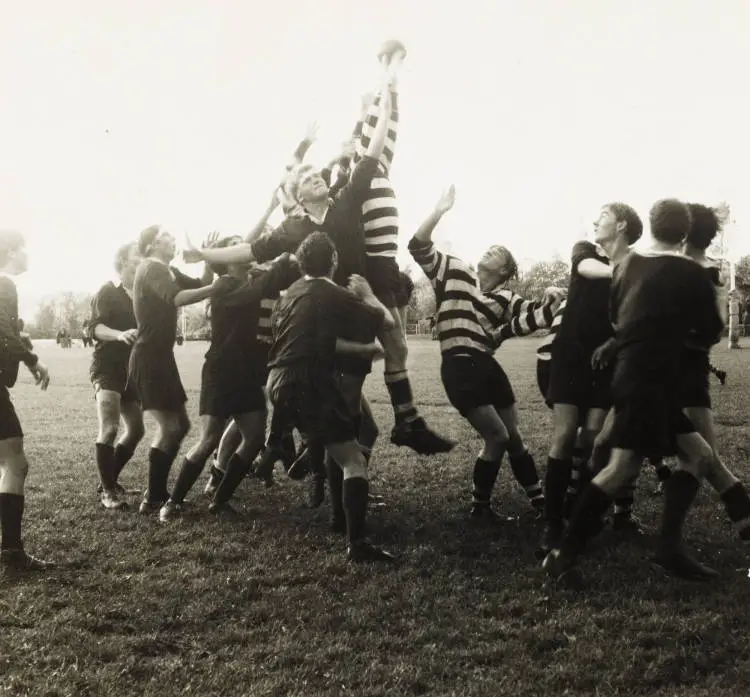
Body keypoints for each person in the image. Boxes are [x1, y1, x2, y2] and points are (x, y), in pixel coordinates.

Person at [544, 199, 724, 584]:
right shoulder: (692, 274)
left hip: (632, 380)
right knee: (624, 467)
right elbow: (711, 332)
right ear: (684, 231)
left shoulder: (628, 267)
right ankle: (568, 551)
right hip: (653, 384)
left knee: (695, 456)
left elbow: (617, 317)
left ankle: (664, 548)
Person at [409, 186, 563, 521]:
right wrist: (438, 212)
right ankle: (480, 507)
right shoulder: (453, 271)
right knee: (497, 436)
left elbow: (541, 313)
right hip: (460, 365)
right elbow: (417, 245)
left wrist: (552, 293)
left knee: (514, 438)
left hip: (488, 368)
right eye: (489, 248)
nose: (488, 251)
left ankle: (540, 504)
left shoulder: (506, 297)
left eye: (497, 252)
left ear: (505, 269)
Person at [266, 231, 395, 562]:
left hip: (276, 382)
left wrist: (356, 348)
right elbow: (388, 322)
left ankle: (294, 449)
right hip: (309, 381)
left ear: (301, 262)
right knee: (353, 460)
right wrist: (368, 295)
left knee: (329, 439)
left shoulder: (287, 294)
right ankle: (357, 544)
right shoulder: (336, 294)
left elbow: (306, 340)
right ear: (334, 261)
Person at [159, 239, 299, 521]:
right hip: (221, 371)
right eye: (236, 246)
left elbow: (279, 276)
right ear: (226, 257)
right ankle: (172, 503)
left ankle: (220, 500)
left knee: (255, 437)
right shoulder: (224, 284)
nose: (246, 248)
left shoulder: (253, 277)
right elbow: (256, 290)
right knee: (209, 439)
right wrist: (284, 254)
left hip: (246, 371)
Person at [540, 203, 643, 557]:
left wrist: (614, 343)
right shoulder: (586, 251)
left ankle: (579, 514)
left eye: (603, 216)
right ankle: (552, 523)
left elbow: (630, 320)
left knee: (595, 436)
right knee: (566, 434)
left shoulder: (634, 266)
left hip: (603, 359)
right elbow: (588, 269)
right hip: (570, 355)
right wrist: (630, 270)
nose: (595, 221)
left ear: (621, 225)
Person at [128, 226, 217, 515]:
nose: (173, 239)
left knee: (182, 426)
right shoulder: (151, 269)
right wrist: (217, 288)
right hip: (149, 358)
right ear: (153, 243)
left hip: (160, 357)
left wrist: (206, 257)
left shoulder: (167, 269)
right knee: (171, 427)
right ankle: (153, 497)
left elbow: (200, 284)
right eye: (167, 236)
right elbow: (178, 298)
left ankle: (155, 493)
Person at [0, 229, 53, 572]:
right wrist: (34, 361)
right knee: (14, 461)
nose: (28, 255)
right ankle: (11, 552)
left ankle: (10, 550)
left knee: (11, 459)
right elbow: (2, 333)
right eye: (24, 248)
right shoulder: (5, 284)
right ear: (10, 251)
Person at [89, 242, 145, 509]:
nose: (141, 263)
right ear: (123, 261)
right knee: (110, 428)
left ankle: (108, 479)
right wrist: (119, 335)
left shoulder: (144, 295)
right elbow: (95, 327)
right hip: (107, 368)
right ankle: (108, 493)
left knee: (136, 430)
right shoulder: (108, 291)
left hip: (133, 370)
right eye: (137, 258)